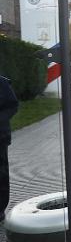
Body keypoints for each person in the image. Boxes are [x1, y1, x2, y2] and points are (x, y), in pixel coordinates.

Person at [0, 76, 18, 222]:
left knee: (1, 174)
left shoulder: (2, 82)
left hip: (0, 137)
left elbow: (12, 105)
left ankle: (0, 209)